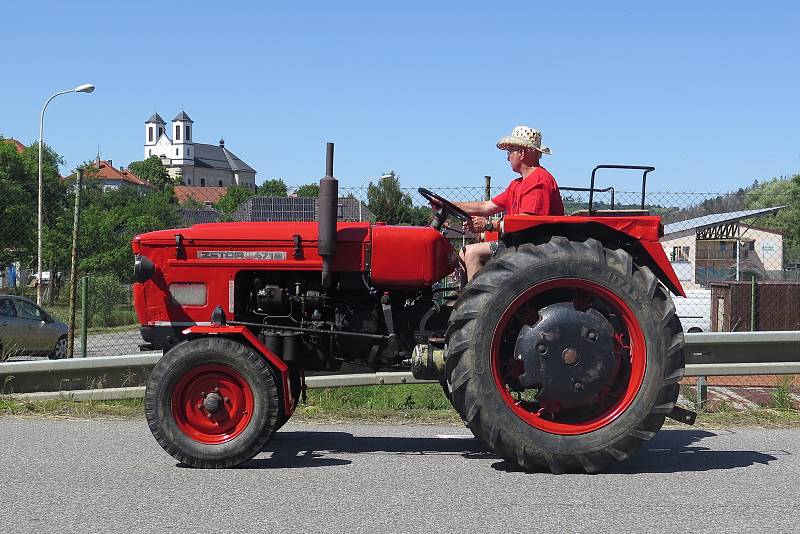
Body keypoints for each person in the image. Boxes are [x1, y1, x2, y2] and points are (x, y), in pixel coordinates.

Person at [446, 126, 564, 282]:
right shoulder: (517, 184)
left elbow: (526, 223)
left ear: (521, 153)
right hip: (520, 244)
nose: (507, 157)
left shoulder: (539, 179)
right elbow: (485, 207)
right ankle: (461, 299)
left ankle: (480, 305)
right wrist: (447, 205)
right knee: (464, 252)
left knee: (473, 253)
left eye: (510, 152)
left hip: (533, 247)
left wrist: (488, 225)